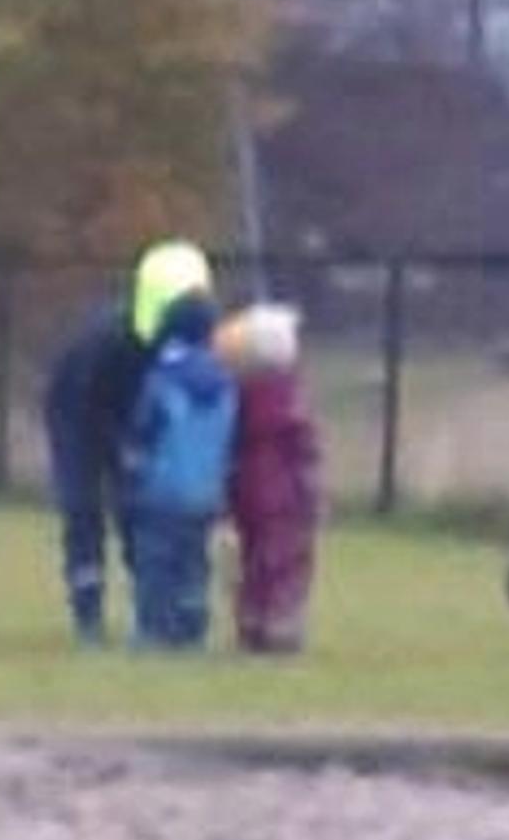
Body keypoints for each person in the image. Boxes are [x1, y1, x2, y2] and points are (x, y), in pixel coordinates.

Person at [40, 239, 212, 648]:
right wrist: (122, 449)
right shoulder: (108, 343)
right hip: (77, 414)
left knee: (142, 511)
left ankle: (156, 611)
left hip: (128, 421)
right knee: (82, 507)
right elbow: (87, 407)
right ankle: (89, 614)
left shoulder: (179, 345)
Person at [121, 279, 238, 654]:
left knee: (156, 563)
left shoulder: (162, 378)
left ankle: (154, 631)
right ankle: (192, 629)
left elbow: (144, 429)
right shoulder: (226, 384)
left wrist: (131, 469)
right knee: (193, 566)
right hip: (206, 492)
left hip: (162, 490)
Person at [217, 304, 326, 655]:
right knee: (286, 561)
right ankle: (279, 627)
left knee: (253, 559)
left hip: (246, 491)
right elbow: (305, 451)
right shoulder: (289, 401)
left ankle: (251, 620)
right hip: (285, 497)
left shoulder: (239, 396)